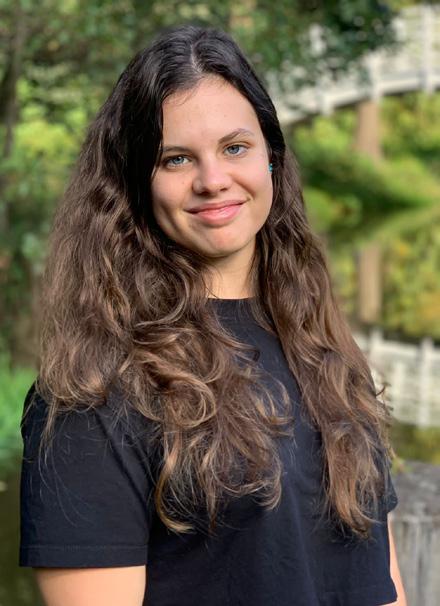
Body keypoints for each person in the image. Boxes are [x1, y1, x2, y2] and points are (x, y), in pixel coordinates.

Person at [19, 24, 407, 606]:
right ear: (134, 182)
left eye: (235, 147)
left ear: (271, 157)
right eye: (176, 159)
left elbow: (382, 583)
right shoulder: (95, 391)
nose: (213, 180)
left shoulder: (323, 351)